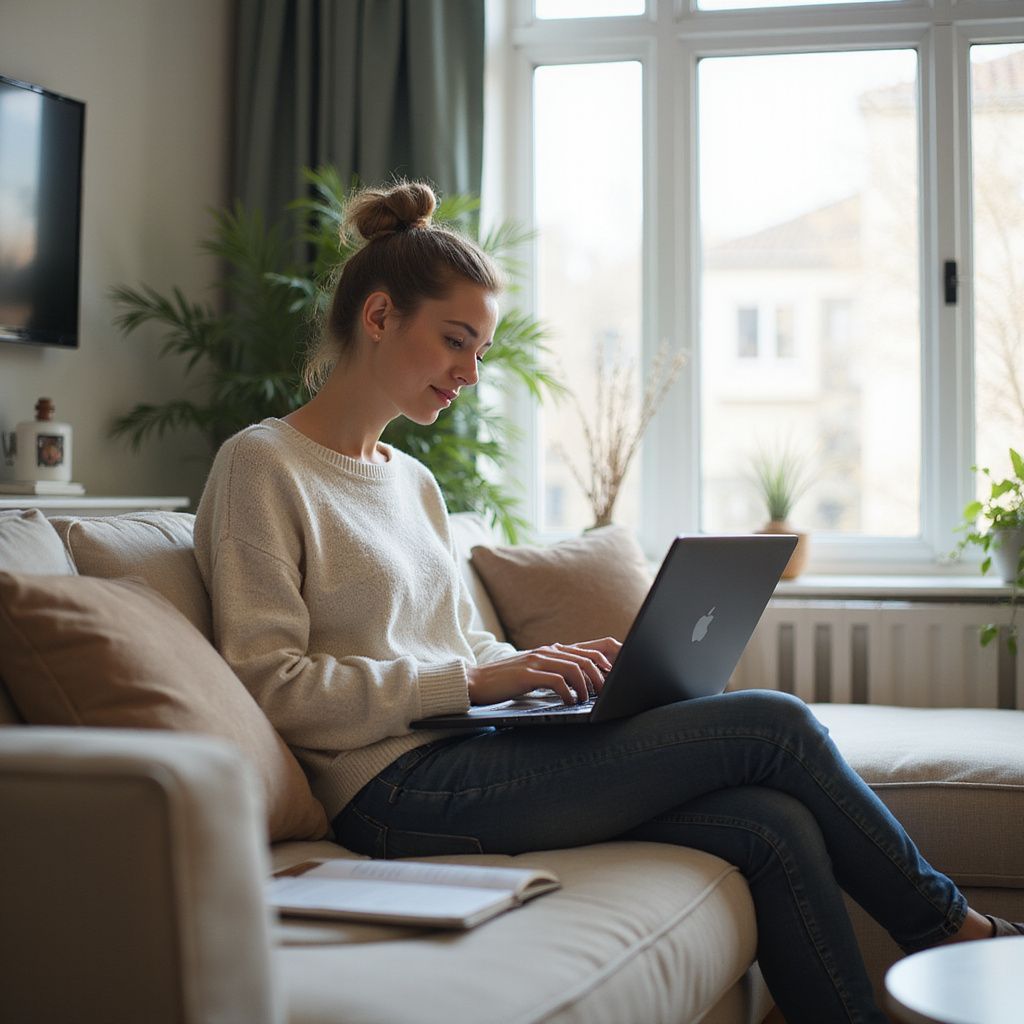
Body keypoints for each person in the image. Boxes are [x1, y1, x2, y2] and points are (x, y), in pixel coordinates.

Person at [194, 180, 1022, 1024]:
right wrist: (474, 685)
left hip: (471, 749)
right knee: (775, 725)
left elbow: (464, 639)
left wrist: (543, 680)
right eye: (456, 342)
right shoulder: (262, 466)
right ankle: (954, 929)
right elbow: (270, 685)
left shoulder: (414, 481)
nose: (470, 374)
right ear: (378, 318)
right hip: (391, 791)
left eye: (481, 350)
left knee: (773, 825)